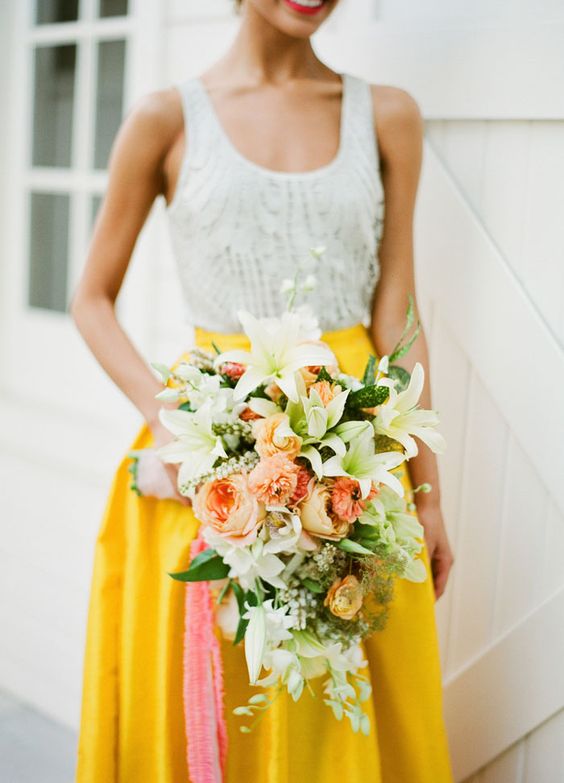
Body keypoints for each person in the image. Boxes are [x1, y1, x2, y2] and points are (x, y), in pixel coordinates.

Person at [70, 0, 455, 780]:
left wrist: (428, 492)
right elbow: (91, 299)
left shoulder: (388, 116)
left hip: (354, 470)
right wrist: (171, 420)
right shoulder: (165, 118)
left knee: (344, 704)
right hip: (212, 463)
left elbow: (396, 313)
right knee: (219, 705)